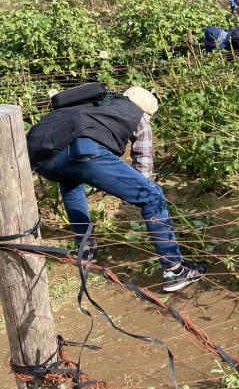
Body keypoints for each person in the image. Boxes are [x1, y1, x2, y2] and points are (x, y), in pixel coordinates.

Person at [26, 85, 206, 292]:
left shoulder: (97, 104)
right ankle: (175, 270)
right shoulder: (138, 116)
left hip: (44, 161)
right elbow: (144, 162)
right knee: (152, 195)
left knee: (71, 185)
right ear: (147, 111)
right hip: (82, 153)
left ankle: (85, 249)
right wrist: (135, 191)